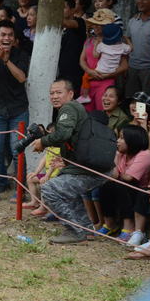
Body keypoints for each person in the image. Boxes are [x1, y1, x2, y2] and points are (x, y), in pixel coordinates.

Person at [31, 78, 110, 244]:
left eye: (59, 92)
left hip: (91, 169)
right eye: (52, 93)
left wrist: (42, 142)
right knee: (66, 190)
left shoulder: (70, 107)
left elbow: (63, 134)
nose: (54, 96)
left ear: (71, 94)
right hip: (89, 167)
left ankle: (75, 231)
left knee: (50, 189)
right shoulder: (74, 109)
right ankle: (86, 230)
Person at [0, 20, 30, 202]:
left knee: (17, 152)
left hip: (18, 110)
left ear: (15, 39)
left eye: (10, 35)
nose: (6, 38)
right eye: (3, 35)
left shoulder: (21, 55)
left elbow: (21, 78)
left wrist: (7, 60)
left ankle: (20, 190)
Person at [97, 124, 150, 245]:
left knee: (121, 185)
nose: (118, 141)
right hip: (124, 189)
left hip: (141, 193)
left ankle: (129, 226)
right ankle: (110, 224)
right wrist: (116, 157)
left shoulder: (144, 155)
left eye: (122, 138)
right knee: (105, 186)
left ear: (132, 140)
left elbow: (127, 178)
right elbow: (113, 177)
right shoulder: (122, 154)